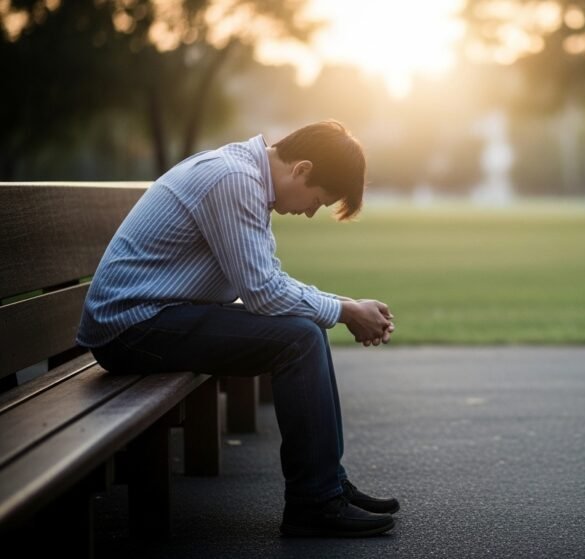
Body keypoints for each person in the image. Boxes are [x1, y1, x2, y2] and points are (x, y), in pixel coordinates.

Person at [76, 119, 399, 538]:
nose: (307, 212)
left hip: (157, 316)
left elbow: (269, 281)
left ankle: (327, 483)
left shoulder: (247, 176)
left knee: (306, 329)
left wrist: (344, 305)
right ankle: (314, 502)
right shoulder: (234, 180)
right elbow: (265, 293)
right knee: (300, 338)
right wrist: (345, 311)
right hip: (131, 328)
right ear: (301, 169)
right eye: (317, 201)